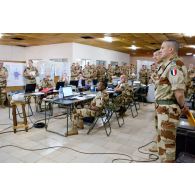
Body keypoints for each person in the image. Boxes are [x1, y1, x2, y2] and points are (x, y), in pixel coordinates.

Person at [155, 40, 189, 162]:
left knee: (168, 144)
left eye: (162, 47)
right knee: (162, 141)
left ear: (171, 50)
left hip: (168, 111)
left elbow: (179, 93)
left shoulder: (174, 66)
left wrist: (184, 106)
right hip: (163, 109)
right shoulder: (168, 65)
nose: (160, 50)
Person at [148, 50, 163, 152]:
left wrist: (153, 78)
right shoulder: (160, 68)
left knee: (163, 126)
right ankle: (158, 142)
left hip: (164, 102)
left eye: (155, 55)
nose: (154, 57)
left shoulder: (167, 67)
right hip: (159, 100)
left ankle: (161, 146)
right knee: (158, 124)